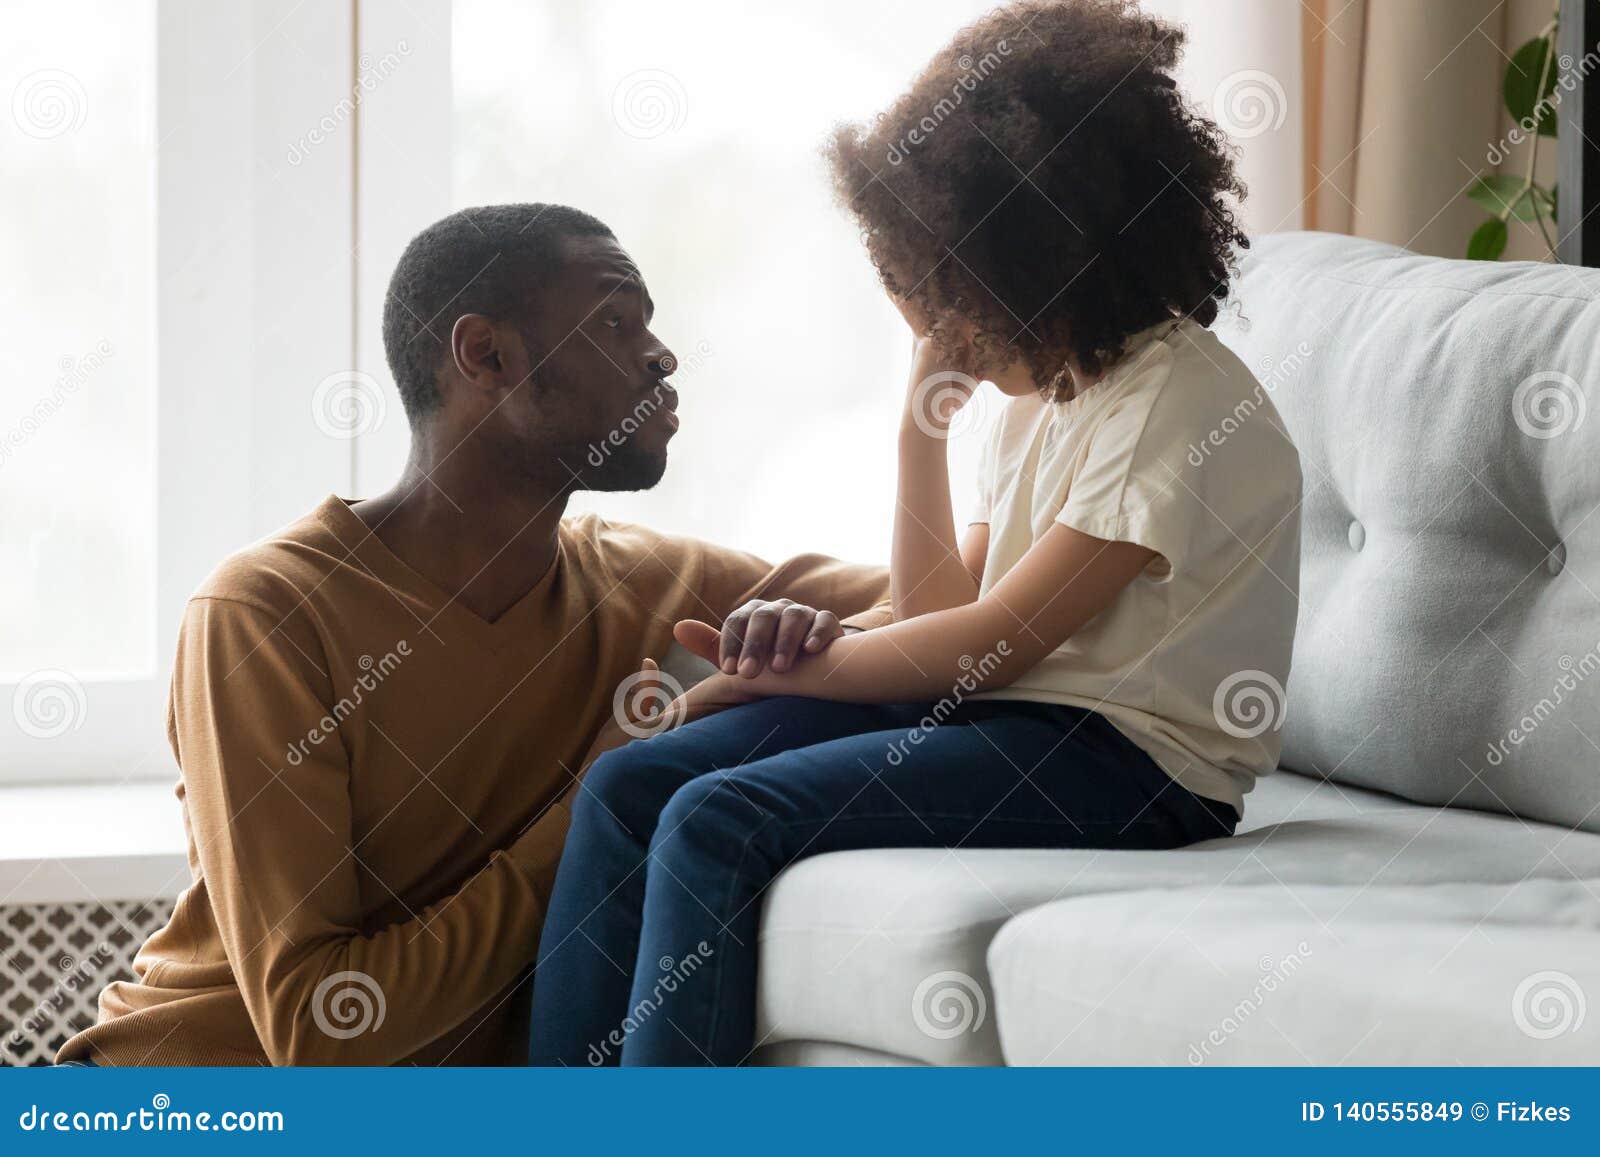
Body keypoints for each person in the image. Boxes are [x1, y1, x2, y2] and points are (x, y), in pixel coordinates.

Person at [528, 0, 1303, 1067]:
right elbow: (939, 612)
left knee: (719, 818)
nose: (944, 343)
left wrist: (813, 672)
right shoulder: (1048, 391)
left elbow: (990, 641)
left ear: (1044, 270)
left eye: (958, 313)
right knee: (630, 786)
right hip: (1005, 717)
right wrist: (917, 432)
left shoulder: (1171, 407)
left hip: (1132, 766)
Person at [56, 204, 888, 1066]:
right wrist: (607, 791)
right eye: (616, 319)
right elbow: (320, 1031)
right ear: (485, 355)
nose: (664, 355)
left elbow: (965, 606)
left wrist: (811, 640)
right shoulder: (265, 614)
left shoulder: (657, 583)